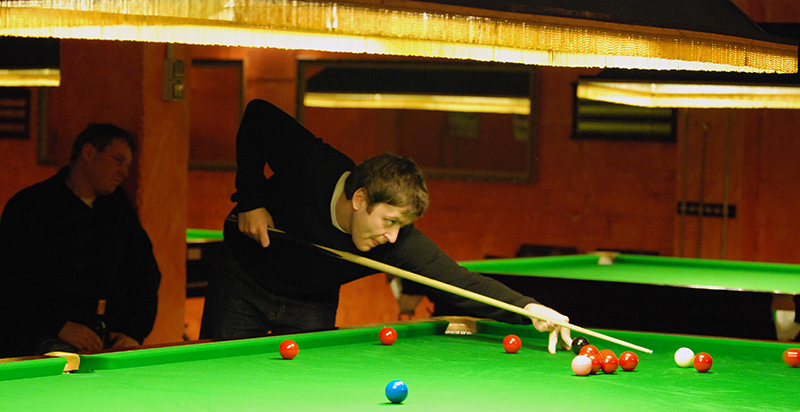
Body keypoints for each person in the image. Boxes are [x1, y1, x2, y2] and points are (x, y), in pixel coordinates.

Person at [200, 99, 571, 352]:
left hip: (310, 300)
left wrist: (530, 309)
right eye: (390, 221)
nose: (393, 236)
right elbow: (258, 115)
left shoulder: (397, 241)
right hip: (244, 279)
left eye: (401, 225)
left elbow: (461, 282)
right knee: (219, 374)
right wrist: (250, 200)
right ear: (360, 199)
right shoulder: (313, 165)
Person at [0, 123, 161, 357]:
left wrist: (133, 332)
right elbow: (11, 282)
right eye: (118, 160)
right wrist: (60, 325)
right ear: (89, 153)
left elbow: (145, 274)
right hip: (37, 337)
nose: (124, 173)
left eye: (127, 165)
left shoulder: (119, 211)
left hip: (104, 340)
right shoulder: (31, 206)